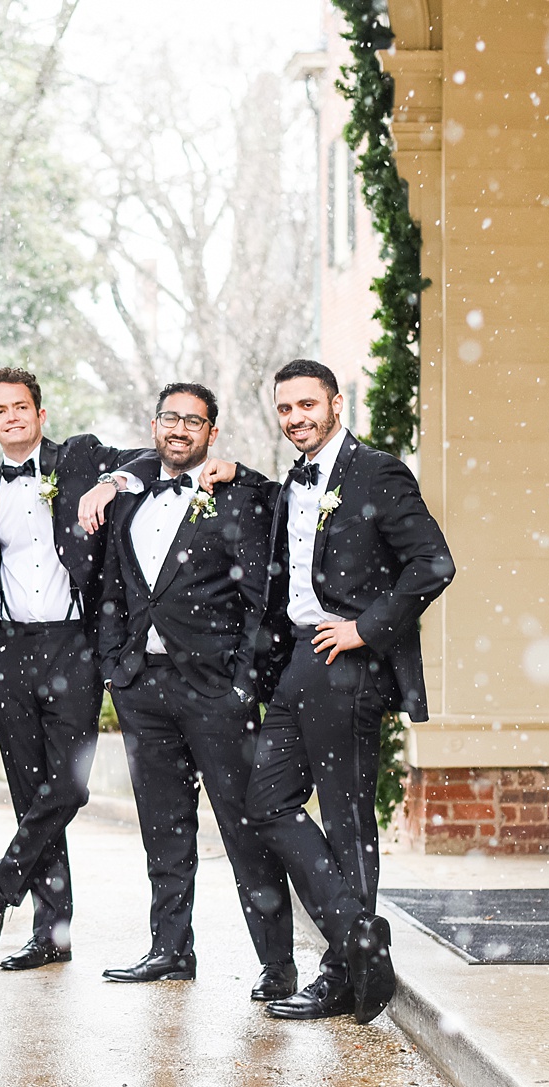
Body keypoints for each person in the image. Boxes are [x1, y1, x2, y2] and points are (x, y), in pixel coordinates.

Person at [239, 358, 454, 1020]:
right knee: (266, 799)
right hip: (299, 661)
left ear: (336, 403)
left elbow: (433, 562)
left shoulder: (377, 472)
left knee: (347, 819)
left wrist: (367, 627)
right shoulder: (290, 483)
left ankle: (340, 971)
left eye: (308, 404)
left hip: (349, 662)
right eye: (285, 409)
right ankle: (360, 935)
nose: (297, 417)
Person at [91, 381, 302, 995]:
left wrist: (243, 685)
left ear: (212, 433)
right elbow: (112, 589)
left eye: (194, 421)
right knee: (163, 825)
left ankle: (276, 965)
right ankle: (169, 949)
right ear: (153, 426)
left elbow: (262, 602)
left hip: (216, 694)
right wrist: (114, 666)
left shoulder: (239, 496)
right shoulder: (127, 495)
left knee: (244, 828)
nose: (179, 429)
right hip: (141, 688)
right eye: (169, 419)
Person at [0, 368, 152, 970]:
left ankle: (3, 877)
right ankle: (52, 931)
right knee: (30, 791)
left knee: (67, 786)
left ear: (41, 416)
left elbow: (153, 457)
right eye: (2, 409)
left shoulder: (80, 457)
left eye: (24, 406)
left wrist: (110, 484)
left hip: (74, 645)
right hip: (8, 652)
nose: (14, 416)